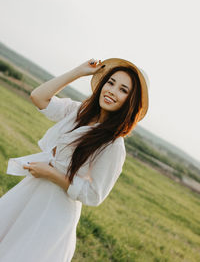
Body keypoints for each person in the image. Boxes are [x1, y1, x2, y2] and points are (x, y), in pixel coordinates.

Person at [0, 58, 149, 262]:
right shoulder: (79, 112)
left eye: (123, 90)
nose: (112, 91)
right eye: (110, 82)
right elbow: (38, 97)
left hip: (55, 210)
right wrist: (78, 72)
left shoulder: (113, 144)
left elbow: (94, 195)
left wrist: (52, 174)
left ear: (131, 102)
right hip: (31, 192)